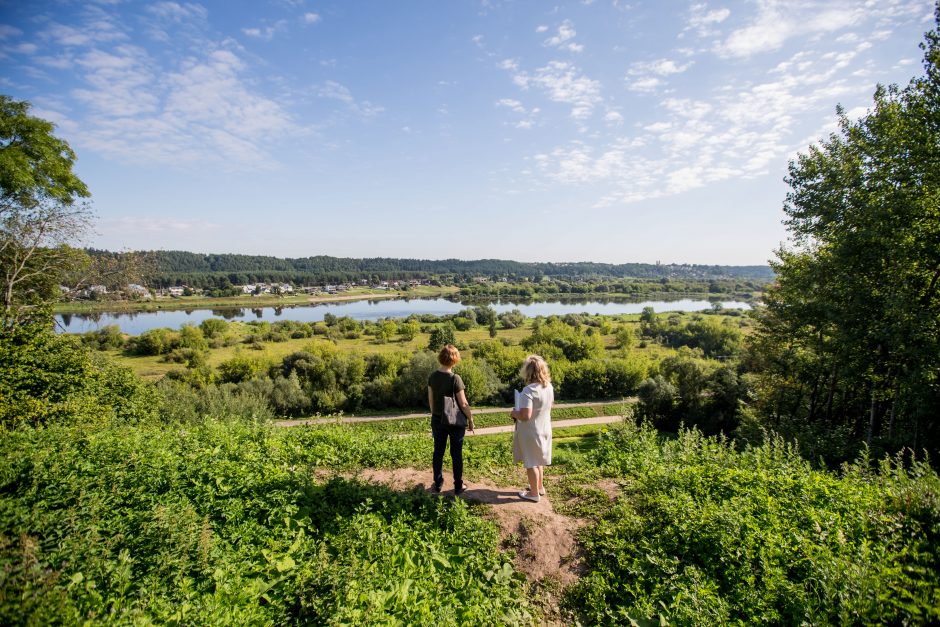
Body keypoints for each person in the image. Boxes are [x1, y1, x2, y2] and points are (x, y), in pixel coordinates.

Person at [427, 344, 475, 494]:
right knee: (456, 454)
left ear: (441, 358)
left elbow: (431, 401)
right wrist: (471, 419)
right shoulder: (455, 378)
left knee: (438, 452)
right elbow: (463, 403)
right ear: (455, 360)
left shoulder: (432, 377)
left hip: (437, 419)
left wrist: (436, 415)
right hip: (455, 422)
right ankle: (458, 487)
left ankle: (438, 484)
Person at [510, 355, 554, 503]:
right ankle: (539, 487)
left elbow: (525, 415)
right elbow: (548, 407)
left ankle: (534, 494)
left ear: (528, 372)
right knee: (538, 460)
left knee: (530, 463)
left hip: (531, 431)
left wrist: (513, 413)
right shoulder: (548, 387)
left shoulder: (528, 390)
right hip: (545, 428)